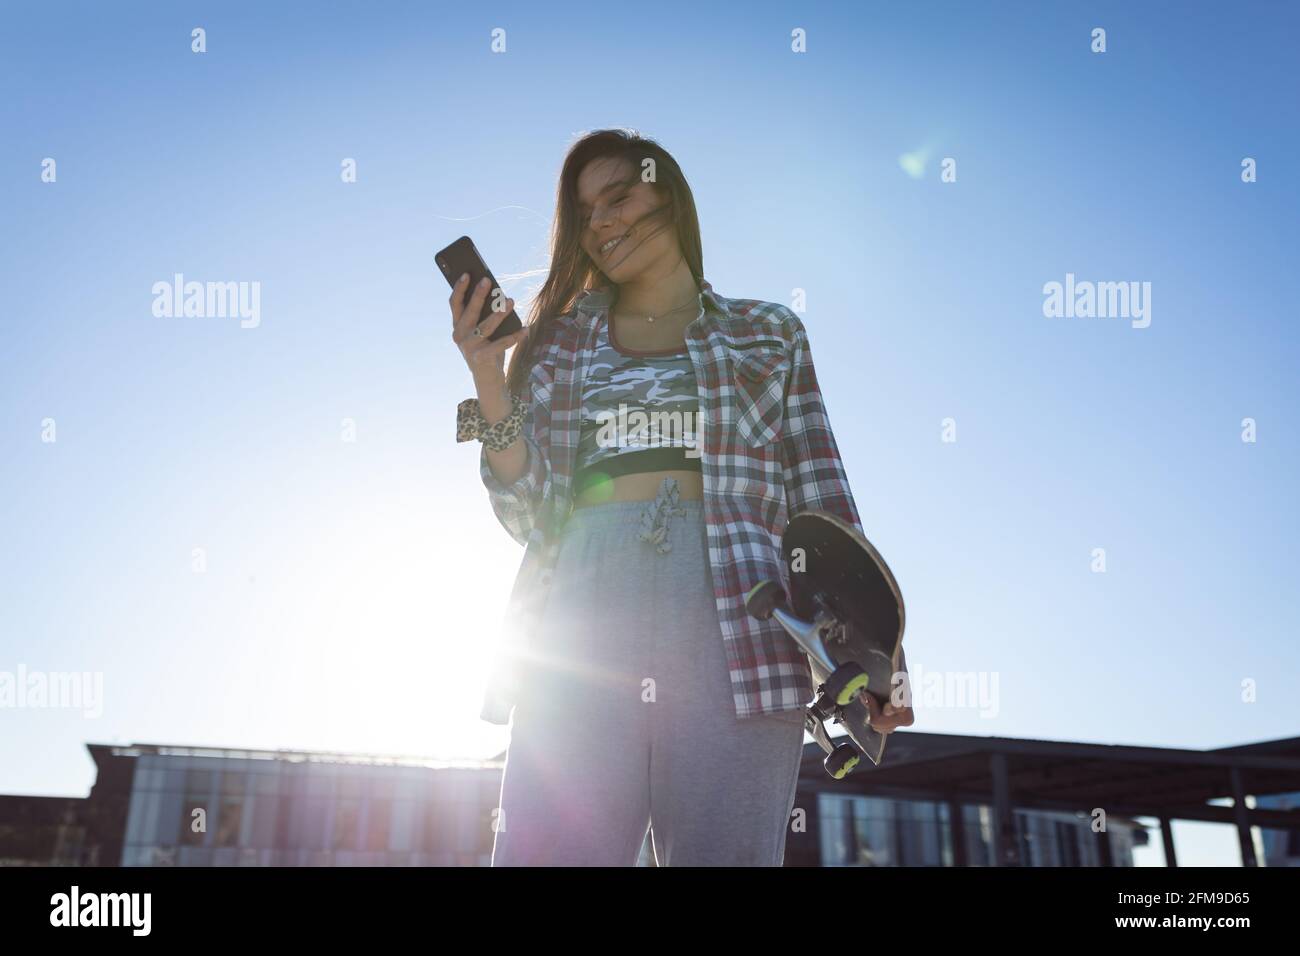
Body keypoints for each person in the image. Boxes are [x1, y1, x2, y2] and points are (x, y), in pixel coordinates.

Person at [451, 128, 913, 866]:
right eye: (585, 214)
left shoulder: (769, 333)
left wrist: (879, 659)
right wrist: (487, 378)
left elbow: (824, 499)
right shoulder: (558, 343)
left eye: (619, 197)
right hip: (579, 622)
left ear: (669, 194)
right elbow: (526, 511)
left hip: (742, 622)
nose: (602, 223)